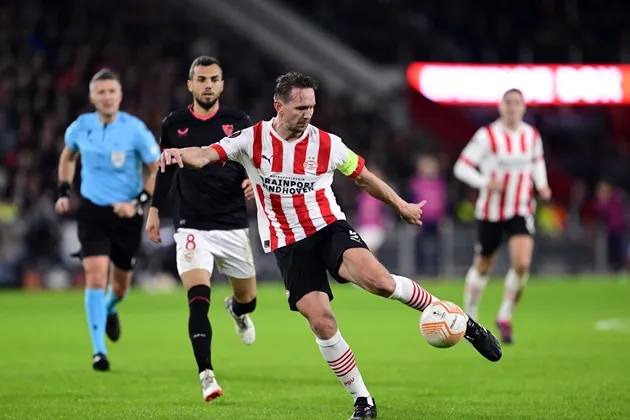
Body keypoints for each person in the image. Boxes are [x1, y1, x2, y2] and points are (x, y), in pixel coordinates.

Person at [158, 72, 502, 419]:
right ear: (278, 105)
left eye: (311, 106)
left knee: (380, 282)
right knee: (322, 322)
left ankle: (467, 324)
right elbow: (204, 154)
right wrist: (177, 154)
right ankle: (363, 400)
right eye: (299, 107)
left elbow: (364, 177)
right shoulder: (251, 140)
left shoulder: (328, 144)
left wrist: (400, 205)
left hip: (327, 228)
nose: (307, 114)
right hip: (288, 244)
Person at [145, 56, 258, 402]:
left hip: (232, 224)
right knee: (197, 303)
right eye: (202, 79)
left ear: (222, 85)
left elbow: (253, 162)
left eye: (214, 79)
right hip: (191, 225)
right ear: (190, 84)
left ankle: (237, 311)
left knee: (248, 300)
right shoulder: (174, 124)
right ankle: (207, 375)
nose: (208, 84)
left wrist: (254, 183)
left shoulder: (238, 122)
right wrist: (153, 210)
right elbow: (165, 170)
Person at [55, 68, 160, 371]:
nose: (106, 97)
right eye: (100, 92)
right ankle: (99, 352)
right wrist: (64, 191)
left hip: (126, 214)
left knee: (119, 288)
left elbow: (157, 168)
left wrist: (138, 202)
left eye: (111, 91)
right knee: (96, 276)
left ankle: (109, 310)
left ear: (120, 95)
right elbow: (68, 156)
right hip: (92, 210)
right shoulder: (80, 127)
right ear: (92, 96)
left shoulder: (135, 129)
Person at [453, 88, 551, 344]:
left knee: (521, 264)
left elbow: (537, 163)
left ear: (524, 107)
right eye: (508, 103)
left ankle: (505, 316)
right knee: (484, 265)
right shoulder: (487, 136)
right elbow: (461, 167)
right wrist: (484, 182)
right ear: (501, 106)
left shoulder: (531, 135)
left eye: (517, 103)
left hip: (520, 208)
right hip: (491, 211)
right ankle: (470, 317)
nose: (513, 107)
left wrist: (542, 185)